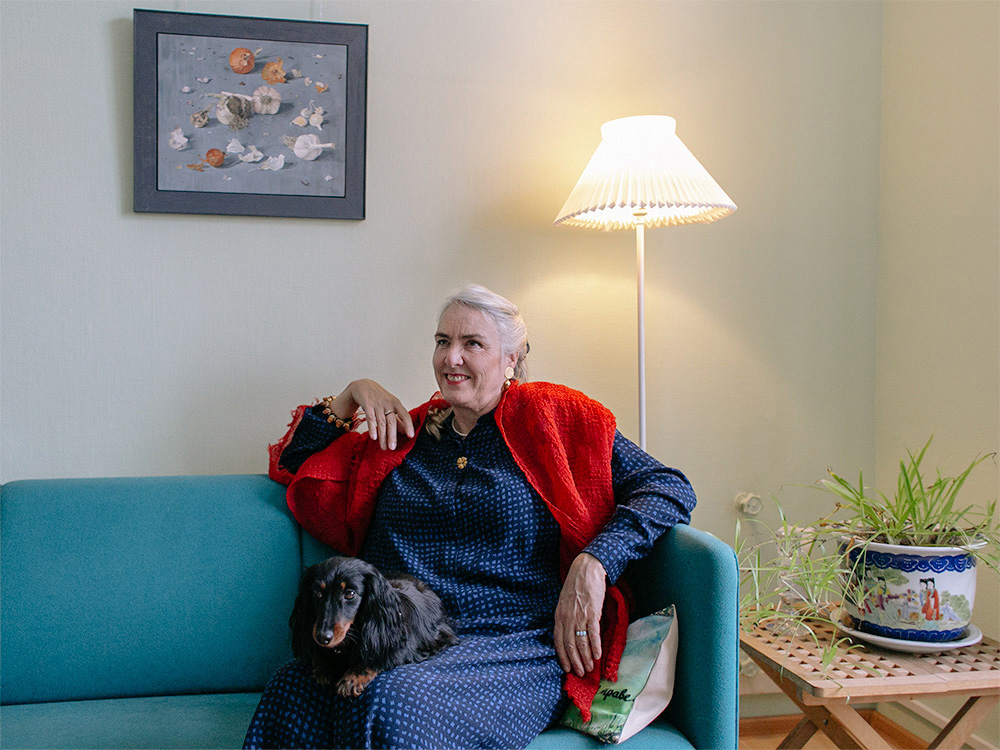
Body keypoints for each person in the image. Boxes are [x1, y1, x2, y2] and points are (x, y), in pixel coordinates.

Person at [244, 284, 696, 750]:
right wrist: (353, 394)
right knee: (291, 690)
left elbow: (668, 486)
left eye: (472, 343)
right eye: (443, 341)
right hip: (404, 633)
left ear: (511, 359)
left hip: (512, 643)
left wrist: (595, 562)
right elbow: (298, 465)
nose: (451, 358)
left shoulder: (554, 421)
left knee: (392, 699)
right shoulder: (406, 436)